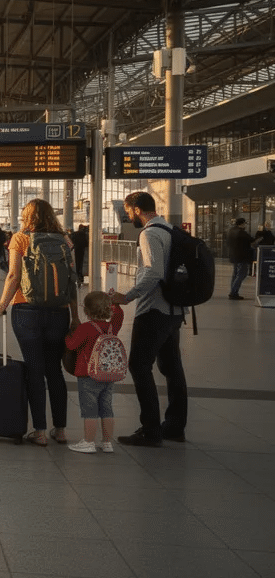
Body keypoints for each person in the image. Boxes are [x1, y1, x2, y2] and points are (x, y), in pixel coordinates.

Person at [0, 199, 78, 446]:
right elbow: (72, 281)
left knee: (34, 369)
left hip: (26, 309)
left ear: (27, 216)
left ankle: (39, 431)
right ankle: (60, 430)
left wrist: (2, 304)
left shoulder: (20, 238)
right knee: (54, 370)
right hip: (59, 312)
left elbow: (14, 275)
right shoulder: (65, 240)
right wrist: (76, 316)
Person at [111, 191, 189, 446]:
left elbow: (153, 272)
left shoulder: (149, 233)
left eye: (128, 210)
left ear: (136, 209)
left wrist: (128, 296)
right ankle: (175, 427)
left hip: (154, 310)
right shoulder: (171, 230)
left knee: (139, 365)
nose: (127, 215)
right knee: (171, 368)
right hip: (175, 310)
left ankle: (151, 429)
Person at [64, 292, 124, 454]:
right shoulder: (112, 327)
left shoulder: (85, 328)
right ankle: (107, 443)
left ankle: (89, 442)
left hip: (88, 375)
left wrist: (67, 337)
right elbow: (119, 315)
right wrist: (115, 304)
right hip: (107, 375)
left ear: (87, 311)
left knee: (89, 410)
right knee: (106, 408)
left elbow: (71, 345)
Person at [226, 217, 255, 300]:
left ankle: (233, 291)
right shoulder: (242, 233)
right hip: (242, 257)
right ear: (242, 224)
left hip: (234, 256)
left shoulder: (231, 231)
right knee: (242, 274)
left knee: (235, 274)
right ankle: (233, 292)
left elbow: (228, 243)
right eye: (244, 223)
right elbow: (251, 240)